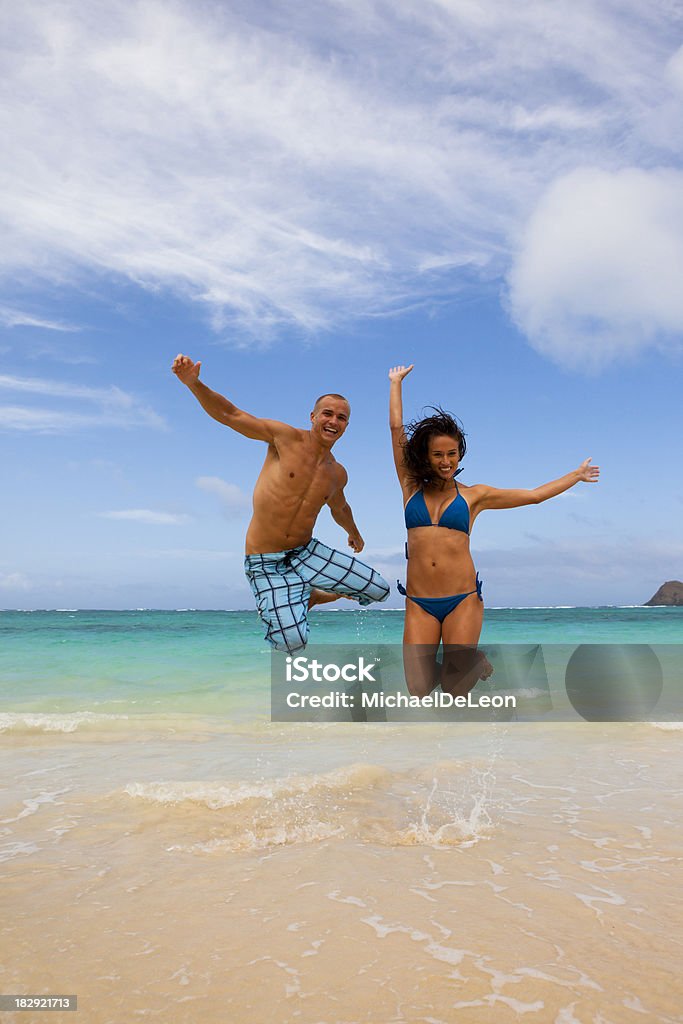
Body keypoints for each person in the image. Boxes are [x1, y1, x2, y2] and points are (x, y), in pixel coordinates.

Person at [389, 364, 600, 696]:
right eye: (438, 455)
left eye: (452, 454)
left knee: (455, 691)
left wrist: (575, 475)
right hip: (419, 602)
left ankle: (476, 660)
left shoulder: (475, 496)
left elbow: (533, 496)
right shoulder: (410, 486)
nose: (446, 461)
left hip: (462, 600)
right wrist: (396, 383)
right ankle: (466, 660)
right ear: (426, 457)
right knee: (417, 689)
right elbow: (395, 428)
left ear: (460, 455)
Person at [172, 355, 390, 653]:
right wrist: (194, 384)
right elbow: (231, 415)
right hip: (265, 560)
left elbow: (340, 508)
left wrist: (354, 533)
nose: (333, 421)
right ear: (312, 416)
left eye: (341, 418)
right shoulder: (283, 438)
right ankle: (300, 597)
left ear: (346, 425)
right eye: (327, 414)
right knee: (291, 642)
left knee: (379, 589)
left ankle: (309, 595)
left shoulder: (337, 473)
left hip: (306, 552)